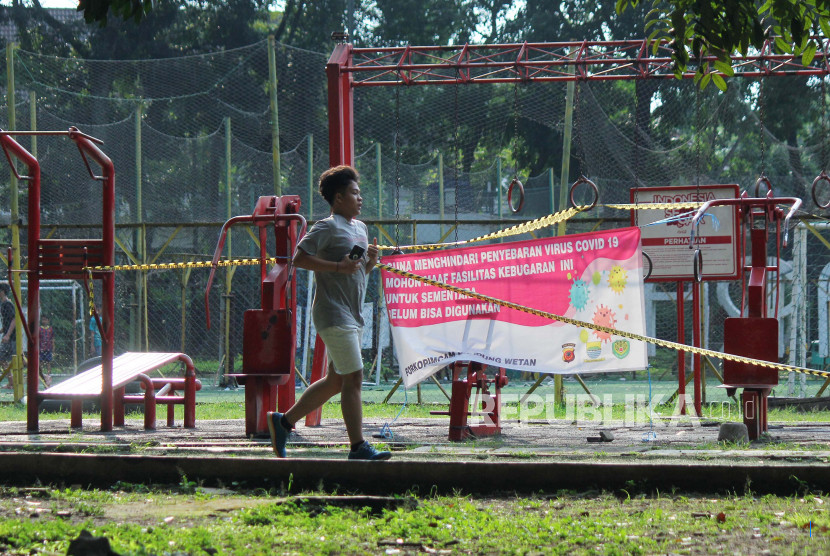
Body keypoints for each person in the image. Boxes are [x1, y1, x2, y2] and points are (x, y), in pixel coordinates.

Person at [267, 165, 391, 461]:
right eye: (354, 193)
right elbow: (298, 258)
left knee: (336, 381)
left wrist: (370, 262)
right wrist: (336, 266)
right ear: (338, 198)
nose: (360, 198)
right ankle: (358, 447)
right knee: (355, 378)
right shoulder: (326, 226)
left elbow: (355, 272)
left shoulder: (360, 229)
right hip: (332, 313)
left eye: (360, 193)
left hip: (353, 313)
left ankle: (282, 422)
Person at [0, 284, 16, 389]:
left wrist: (8, 335)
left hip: (11, 337)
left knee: (2, 357)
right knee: (3, 358)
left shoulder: (7, 304)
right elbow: (7, 322)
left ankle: (11, 382)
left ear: (2, 291)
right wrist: (2, 331)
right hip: (8, 335)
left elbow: (14, 319)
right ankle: (11, 382)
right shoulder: (3, 304)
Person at [39, 314, 54, 387]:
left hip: (48, 348)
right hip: (41, 348)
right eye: (43, 319)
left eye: (45, 319)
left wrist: (53, 346)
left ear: (48, 321)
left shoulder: (50, 329)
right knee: (41, 362)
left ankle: (48, 374)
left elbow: (52, 338)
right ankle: (41, 374)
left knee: (48, 362)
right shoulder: (39, 329)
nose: (44, 321)